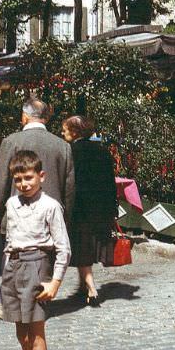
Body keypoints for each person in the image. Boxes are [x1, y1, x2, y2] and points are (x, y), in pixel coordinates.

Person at [0, 150, 71, 350]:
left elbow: (63, 248)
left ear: (41, 176)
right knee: (22, 334)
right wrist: (6, 273)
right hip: (13, 268)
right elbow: (10, 240)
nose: (24, 184)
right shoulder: (12, 203)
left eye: (29, 177)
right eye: (18, 179)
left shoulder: (51, 206)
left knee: (36, 333)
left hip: (36, 266)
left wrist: (55, 282)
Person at [0, 98, 75, 233]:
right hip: (51, 221)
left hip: (17, 219)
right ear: (45, 118)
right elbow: (69, 187)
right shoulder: (62, 146)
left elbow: (1, 180)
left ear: (25, 117)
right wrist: (66, 218)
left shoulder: (11, 142)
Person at [62, 115, 117, 306]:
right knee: (86, 246)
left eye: (65, 129)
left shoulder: (70, 151)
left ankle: (91, 288)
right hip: (100, 206)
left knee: (82, 247)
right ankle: (82, 285)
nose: (63, 133)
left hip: (79, 207)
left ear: (75, 132)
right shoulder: (102, 151)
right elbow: (110, 182)